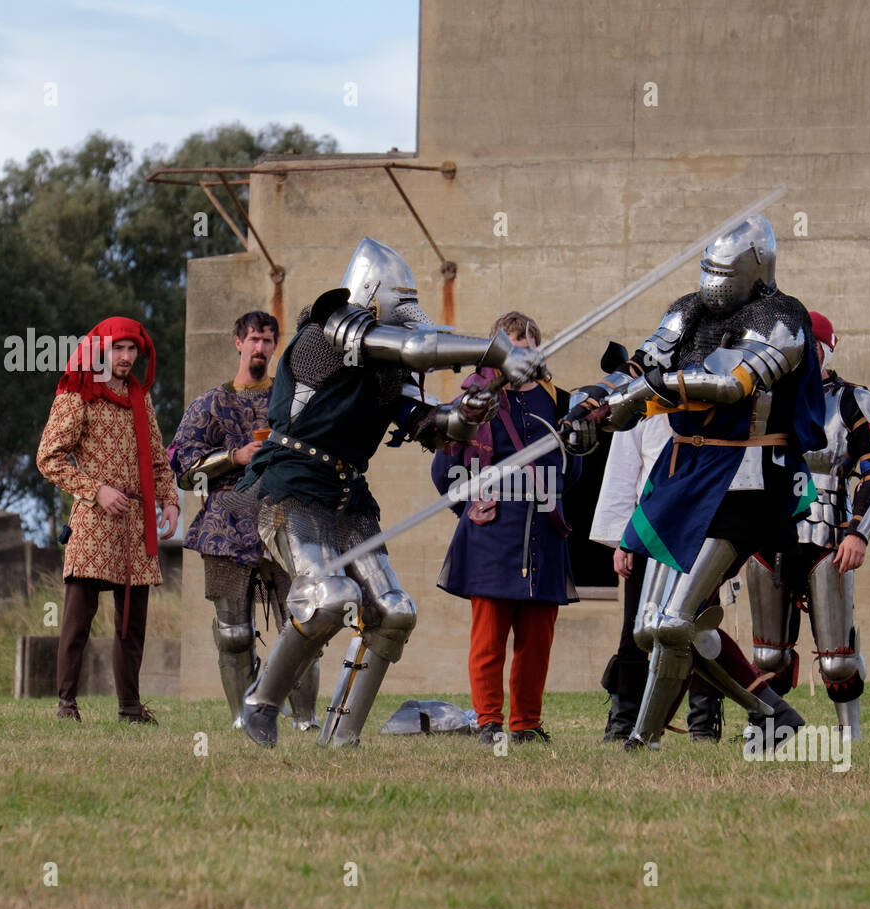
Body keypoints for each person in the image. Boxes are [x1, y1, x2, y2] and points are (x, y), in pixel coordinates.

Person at [234, 238, 545, 749]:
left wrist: (467, 414)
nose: (404, 321)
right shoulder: (328, 329)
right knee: (330, 597)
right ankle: (260, 705)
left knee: (395, 611)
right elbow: (415, 346)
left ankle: (340, 738)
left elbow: (429, 426)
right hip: (293, 485)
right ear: (371, 296)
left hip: (347, 495)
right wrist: (499, 352)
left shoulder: (386, 365)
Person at [562, 214, 827, 751]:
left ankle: (649, 737)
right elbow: (643, 365)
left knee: (676, 620)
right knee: (649, 628)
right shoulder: (688, 310)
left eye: (724, 270)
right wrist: (596, 402)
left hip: (748, 481)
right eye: (708, 268)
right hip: (682, 477)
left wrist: (647, 391)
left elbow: (732, 384)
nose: (713, 280)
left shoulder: (783, 318)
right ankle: (766, 712)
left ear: (756, 268)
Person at [745, 312, 870, 740]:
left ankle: (849, 734)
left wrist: (859, 532)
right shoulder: (760, 397)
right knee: (768, 654)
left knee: (837, 659)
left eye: (809, 346)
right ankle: (766, 731)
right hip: (766, 531)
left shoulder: (854, 401)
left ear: (825, 349)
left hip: (828, 533)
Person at [430, 312, 579, 746]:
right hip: (492, 532)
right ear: (499, 348)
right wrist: (475, 508)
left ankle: (526, 724)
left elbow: (573, 468)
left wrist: (547, 496)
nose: (527, 350)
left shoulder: (559, 400)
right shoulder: (475, 399)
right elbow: (445, 469)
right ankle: (489, 722)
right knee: (489, 638)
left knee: (536, 640)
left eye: (533, 342)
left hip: (545, 531)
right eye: (517, 342)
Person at [168, 309, 320, 731]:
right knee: (233, 634)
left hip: (287, 519)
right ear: (238, 342)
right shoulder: (211, 403)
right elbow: (182, 468)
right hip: (226, 525)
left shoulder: (293, 400)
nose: (260, 347)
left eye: (268, 340)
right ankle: (244, 720)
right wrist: (233, 456)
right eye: (253, 339)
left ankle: (305, 720)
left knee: (307, 622)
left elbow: (321, 452)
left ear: (275, 345)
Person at [36, 316, 181, 724]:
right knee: (78, 620)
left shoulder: (140, 396)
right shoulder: (79, 392)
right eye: (118, 349)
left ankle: (130, 709)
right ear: (101, 349)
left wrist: (170, 501)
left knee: (132, 625)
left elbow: (156, 457)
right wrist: (96, 490)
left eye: (132, 349)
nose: (126, 357)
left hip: (135, 525)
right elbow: (48, 457)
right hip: (93, 523)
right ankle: (66, 704)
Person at [590, 414, 727, 744]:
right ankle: (624, 720)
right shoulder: (643, 407)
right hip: (651, 530)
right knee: (636, 632)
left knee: (702, 629)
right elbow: (622, 475)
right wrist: (625, 540)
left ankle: (703, 723)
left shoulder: (718, 404)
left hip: (705, 530)